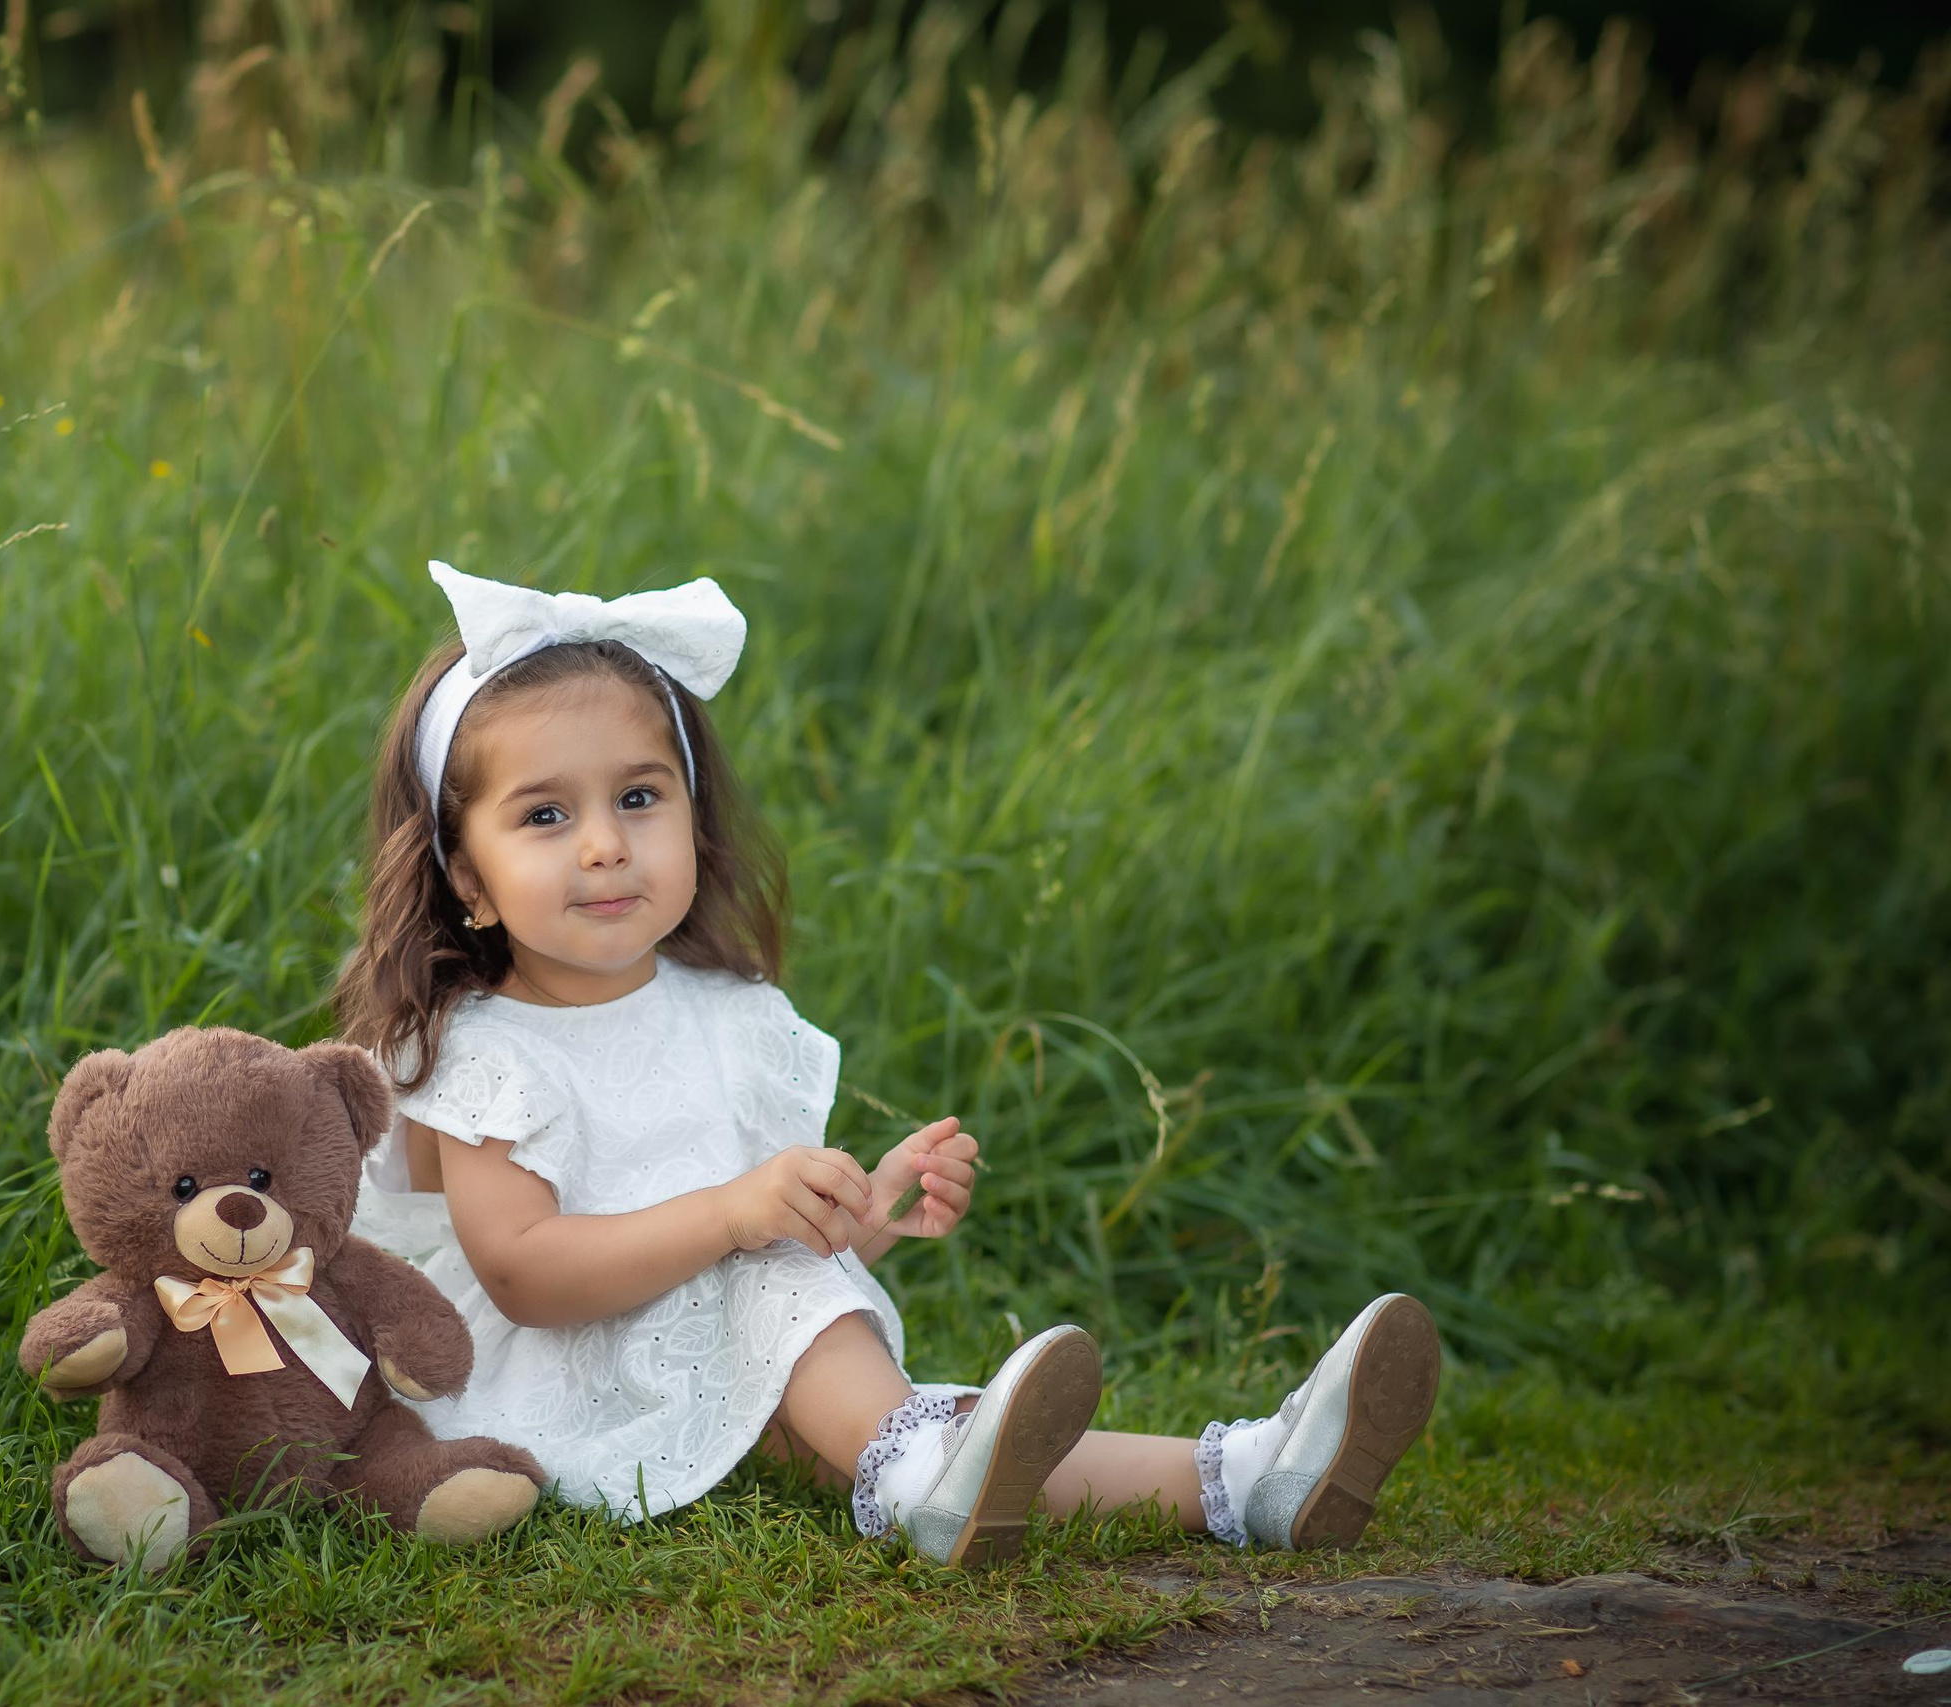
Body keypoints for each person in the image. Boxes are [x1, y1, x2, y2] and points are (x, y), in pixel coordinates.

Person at [335, 560, 1440, 1565]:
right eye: (543, 815)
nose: (605, 843)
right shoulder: (486, 1049)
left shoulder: (726, 1015)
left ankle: (1240, 1482)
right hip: (558, 1376)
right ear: (465, 879)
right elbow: (525, 1275)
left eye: (637, 797)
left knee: (892, 1428)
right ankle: (934, 1468)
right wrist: (739, 1215)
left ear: (694, 818)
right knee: (802, 1318)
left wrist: (859, 1217)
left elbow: (763, 1249)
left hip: (698, 1345)